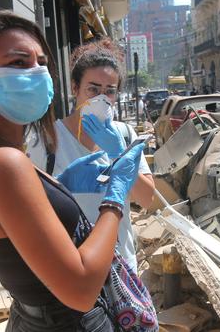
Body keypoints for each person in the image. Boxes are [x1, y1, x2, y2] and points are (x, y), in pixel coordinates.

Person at [0, 10, 143, 331]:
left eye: (41, 63)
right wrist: (115, 195)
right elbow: (81, 289)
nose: (36, 73)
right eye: (18, 63)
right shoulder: (3, 162)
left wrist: (58, 186)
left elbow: (15, 227)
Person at [52, 38, 155, 271]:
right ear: (75, 88)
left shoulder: (126, 135)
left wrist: (119, 155)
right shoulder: (50, 140)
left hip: (122, 267)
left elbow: (147, 199)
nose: (102, 98)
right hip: (74, 268)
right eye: (93, 89)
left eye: (110, 91)